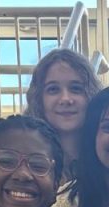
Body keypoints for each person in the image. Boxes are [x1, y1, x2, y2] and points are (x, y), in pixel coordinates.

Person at [24, 48, 101, 182]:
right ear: (39, 99)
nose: (65, 99)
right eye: (53, 89)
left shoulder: (108, 159)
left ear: (91, 95)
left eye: (76, 89)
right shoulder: (23, 162)